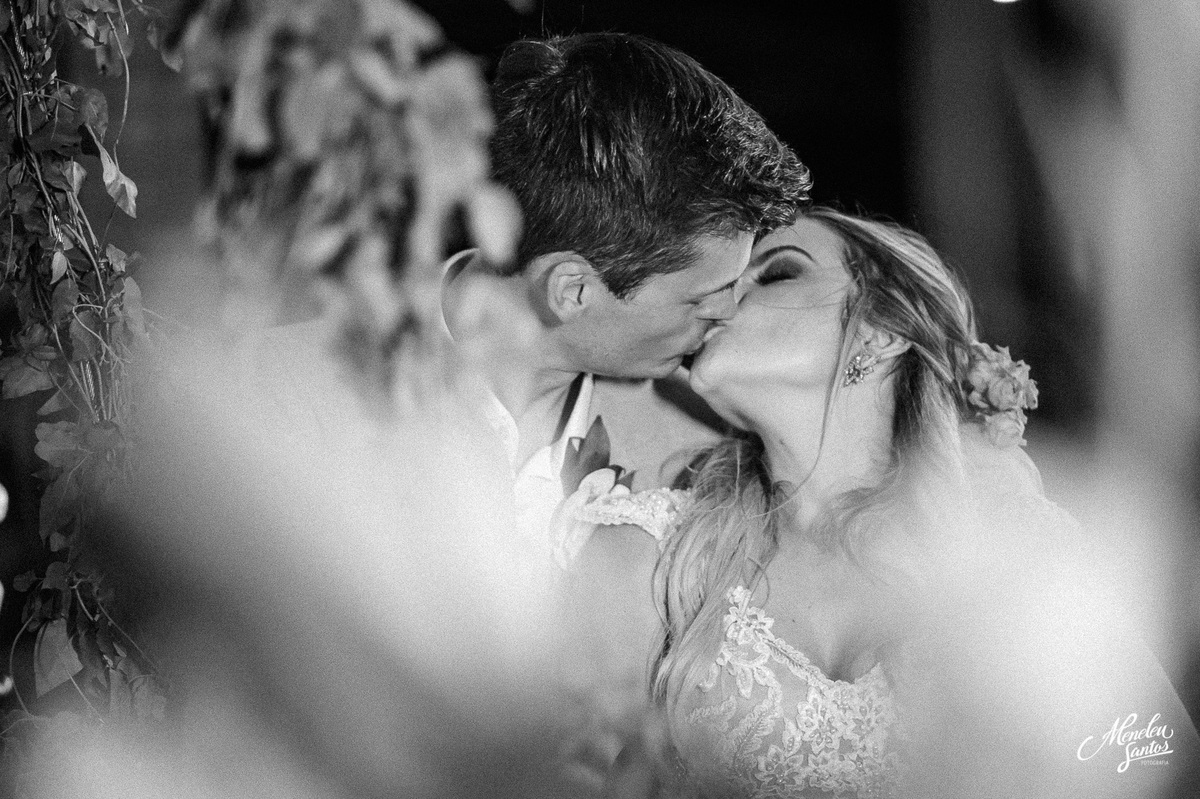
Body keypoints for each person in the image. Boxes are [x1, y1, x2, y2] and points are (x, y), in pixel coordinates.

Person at [566, 207, 1199, 798]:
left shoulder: (1013, 560)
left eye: (777, 272)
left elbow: (1152, 766)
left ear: (881, 328)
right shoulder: (653, 552)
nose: (723, 296)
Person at [441, 32, 811, 568]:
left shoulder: (704, 451)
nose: (730, 312)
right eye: (702, 298)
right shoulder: (293, 397)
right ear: (572, 292)